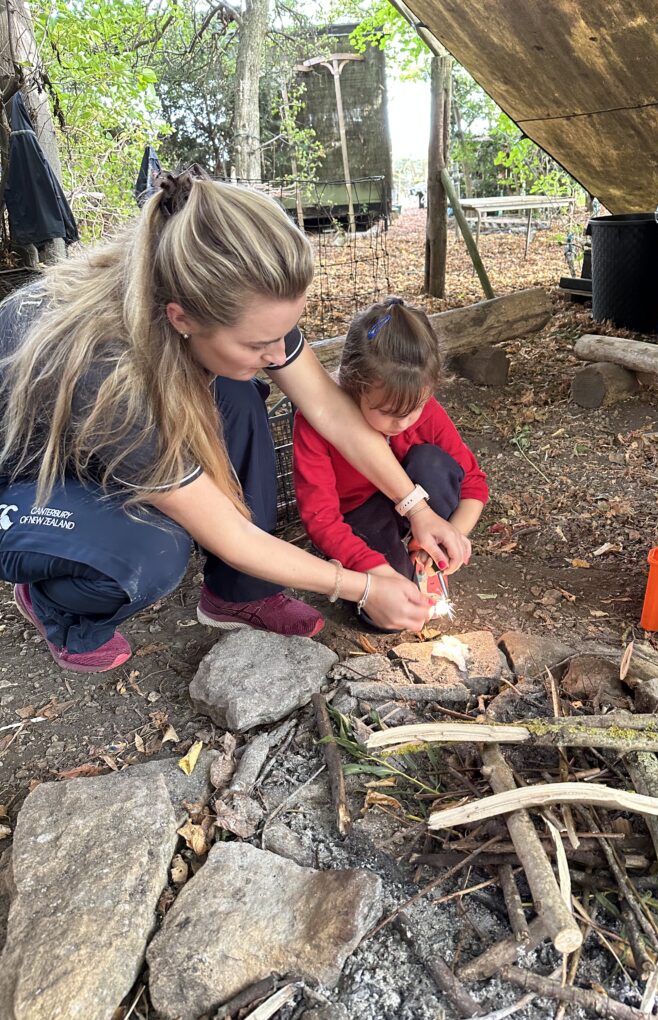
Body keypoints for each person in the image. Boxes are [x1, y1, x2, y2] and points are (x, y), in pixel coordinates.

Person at [0, 170, 471, 673]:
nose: (276, 352)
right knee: (152, 550)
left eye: (286, 332)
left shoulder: (227, 307)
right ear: (181, 319)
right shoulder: (113, 374)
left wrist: (415, 506)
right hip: (28, 477)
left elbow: (331, 411)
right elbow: (230, 534)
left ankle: (236, 594)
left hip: (97, 439)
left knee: (239, 392)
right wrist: (362, 585)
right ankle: (60, 603)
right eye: (257, 343)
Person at [292, 297, 488, 615]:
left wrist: (452, 534)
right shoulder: (316, 420)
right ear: (353, 385)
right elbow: (322, 519)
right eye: (386, 412)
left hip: (411, 509)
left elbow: (474, 485)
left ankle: (420, 554)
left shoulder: (417, 408)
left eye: (416, 409)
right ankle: (398, 564)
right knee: (388, 614)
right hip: (356, 517)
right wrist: (374, 573)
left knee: (433, 463)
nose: (403, 423)